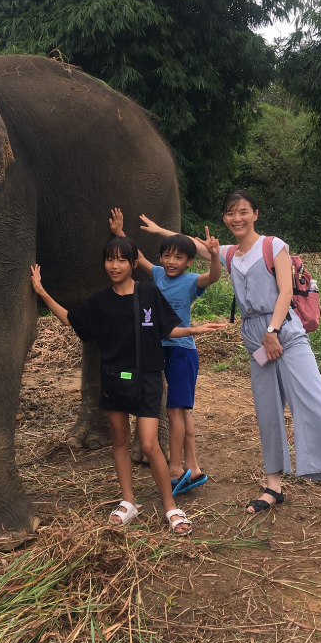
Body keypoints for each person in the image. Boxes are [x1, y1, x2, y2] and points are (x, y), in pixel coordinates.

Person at [30, 236, 224, 535]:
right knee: (120, 440)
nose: (115, 265)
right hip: (113, 380)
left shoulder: (148, 292)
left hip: (147, 377)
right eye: (110, 259)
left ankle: (170, 507)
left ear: (134, 264)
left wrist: (196, 329)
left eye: (122, 260)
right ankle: (128, 500)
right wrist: (42, 291)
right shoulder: (99, 301)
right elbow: (71, 320)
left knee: (148, 444)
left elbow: (167, 327)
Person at [214, 190, 321, 521]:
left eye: (243, 211)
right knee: (267, 410)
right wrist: (154, 231)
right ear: (224, 218)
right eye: (229, 213)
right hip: (254, 337)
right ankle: (273, 487)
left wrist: (272, 331)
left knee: (313, 401)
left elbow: (285, 290)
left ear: (255, 213)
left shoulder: (273, 245)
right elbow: (188, 246)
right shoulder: (228, 254)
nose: (236, 218)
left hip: (283, 330)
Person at [109, 208, 224, 496]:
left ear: (188, 261)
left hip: (182, 350)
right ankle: (193, 466)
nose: (172, 262)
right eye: (167, 256)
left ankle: (175, 469)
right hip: (160, 348)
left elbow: (214, 276)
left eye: (179, 257)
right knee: (181, 411)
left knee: (175, 410)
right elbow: (139, 258)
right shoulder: (159, 274)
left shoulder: (191, 280)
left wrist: (213, 255)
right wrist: (120, 234)